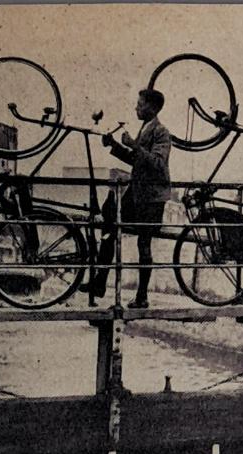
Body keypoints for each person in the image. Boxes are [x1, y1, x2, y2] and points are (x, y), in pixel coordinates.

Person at [81, 88, 172, 309]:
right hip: (138, 193)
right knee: (109, 222)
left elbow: (159, 164)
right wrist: (114, 145)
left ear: (152, 107)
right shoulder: (146, 129)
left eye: (140, 104)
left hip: (151, 198)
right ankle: (100, 283)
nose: (136, 108)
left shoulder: (161, 132)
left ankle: (142, 297)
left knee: (144, 244)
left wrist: (134, 145)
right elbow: (136, 160)